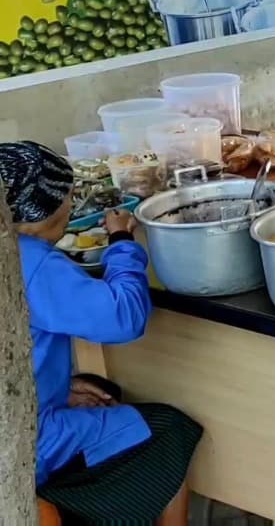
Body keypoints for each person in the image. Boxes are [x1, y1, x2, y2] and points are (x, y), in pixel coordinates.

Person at [3, 141, 203, 525]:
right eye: (70, 195)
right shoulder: (29, 258)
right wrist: (121, 242)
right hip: (25, 444)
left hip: (20, 413)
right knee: (168, 431)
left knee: (101, 389)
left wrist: (57, 388)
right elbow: (123, 317)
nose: (72, 204)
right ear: (47, 204)